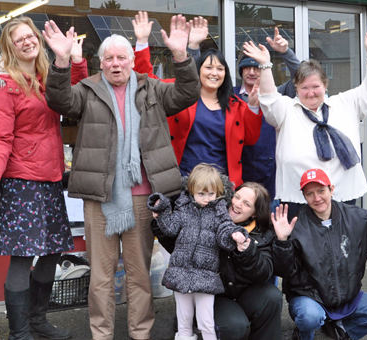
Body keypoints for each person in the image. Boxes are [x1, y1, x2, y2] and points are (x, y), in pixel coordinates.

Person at [42, 15, 200, 340]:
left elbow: (187, 94)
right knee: (100, 278)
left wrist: (182, 57)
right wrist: (61, 61)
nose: (116, 64)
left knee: (140, 275)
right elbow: (59, 100)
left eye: (122, 57)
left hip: (142, 198)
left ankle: (140, 334)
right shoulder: (87, 90)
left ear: (131, 60)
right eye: (109, 59)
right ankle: (102, 336)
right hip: (101, 200)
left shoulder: (151, 88)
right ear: (101, 63)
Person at [0, 17, 87, 340]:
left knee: (51, 251)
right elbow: (2, 138)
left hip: (51, 177)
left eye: (30, 36)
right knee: (23, 257)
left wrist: (75, 60)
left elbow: (75, 98)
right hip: (22, 181)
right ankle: (19, 332)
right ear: (10, 48)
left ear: (38, 40)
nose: (26, 42)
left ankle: (38, 321)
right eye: (18, 39)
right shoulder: (3, 84)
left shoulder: (46, 76)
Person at [243, 25, 367, 218]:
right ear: (296, 87)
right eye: (304, 87)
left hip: (342, 192)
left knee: (342, 244)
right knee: (303, 246)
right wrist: (265, 65)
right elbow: (269, 98)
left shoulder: (346, 103)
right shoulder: (287, 109)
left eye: (316, 86)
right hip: (298, 196)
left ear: (325, 85)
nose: (310, 93)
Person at [271, 168, 367, 340]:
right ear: (304, 197)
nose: (317, 198)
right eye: (310, 194)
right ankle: (303, 334)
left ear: (331, 189)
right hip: (310, 298)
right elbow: (285, 270)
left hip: (347, 298)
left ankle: (343, 330)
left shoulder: (356, 218)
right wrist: (282, 241)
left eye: (321, 191)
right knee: (310, 317)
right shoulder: (297, 225)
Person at [132, 11, 262, 188]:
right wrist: (141, 42)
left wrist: (253, 107)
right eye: (208, 67)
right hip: (181, 182)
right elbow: (146, 80)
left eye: (220, 68)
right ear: (197, 71)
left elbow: (251, 139)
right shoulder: (176, 94)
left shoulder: (236, 105)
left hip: (220, 186)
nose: (214, 73)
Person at [153, 181, 283, 340]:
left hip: (241, 291)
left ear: (255, 213)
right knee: (235, 325)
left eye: (247, 204)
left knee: (272, 296)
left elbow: (263, 273)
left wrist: (246, 251)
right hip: (209, 294)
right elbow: (179, 248)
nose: (237, 204)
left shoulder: (262, 232)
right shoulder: (208, 215)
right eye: (237, 197)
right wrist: (161, 223)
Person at [147, 163, 249, 340]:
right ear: (192, 190)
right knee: (184, 320)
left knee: (206, 321)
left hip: (206, 275)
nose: (207, 198)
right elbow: (171, 228)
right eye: (201, 193)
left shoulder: (219, 212)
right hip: (181, 271)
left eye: (211, 193)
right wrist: (162, 210)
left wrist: (236, 234)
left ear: (217, 192)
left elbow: (225, 230)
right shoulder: (183, 208)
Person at [236, 27, 300, 201]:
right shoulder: (230, 95)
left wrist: (286, 52)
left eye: (257, 67)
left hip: (272, 172)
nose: (251, 72)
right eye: (247, 67)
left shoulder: (278, 94)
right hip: (240, 169)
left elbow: (301, 77)